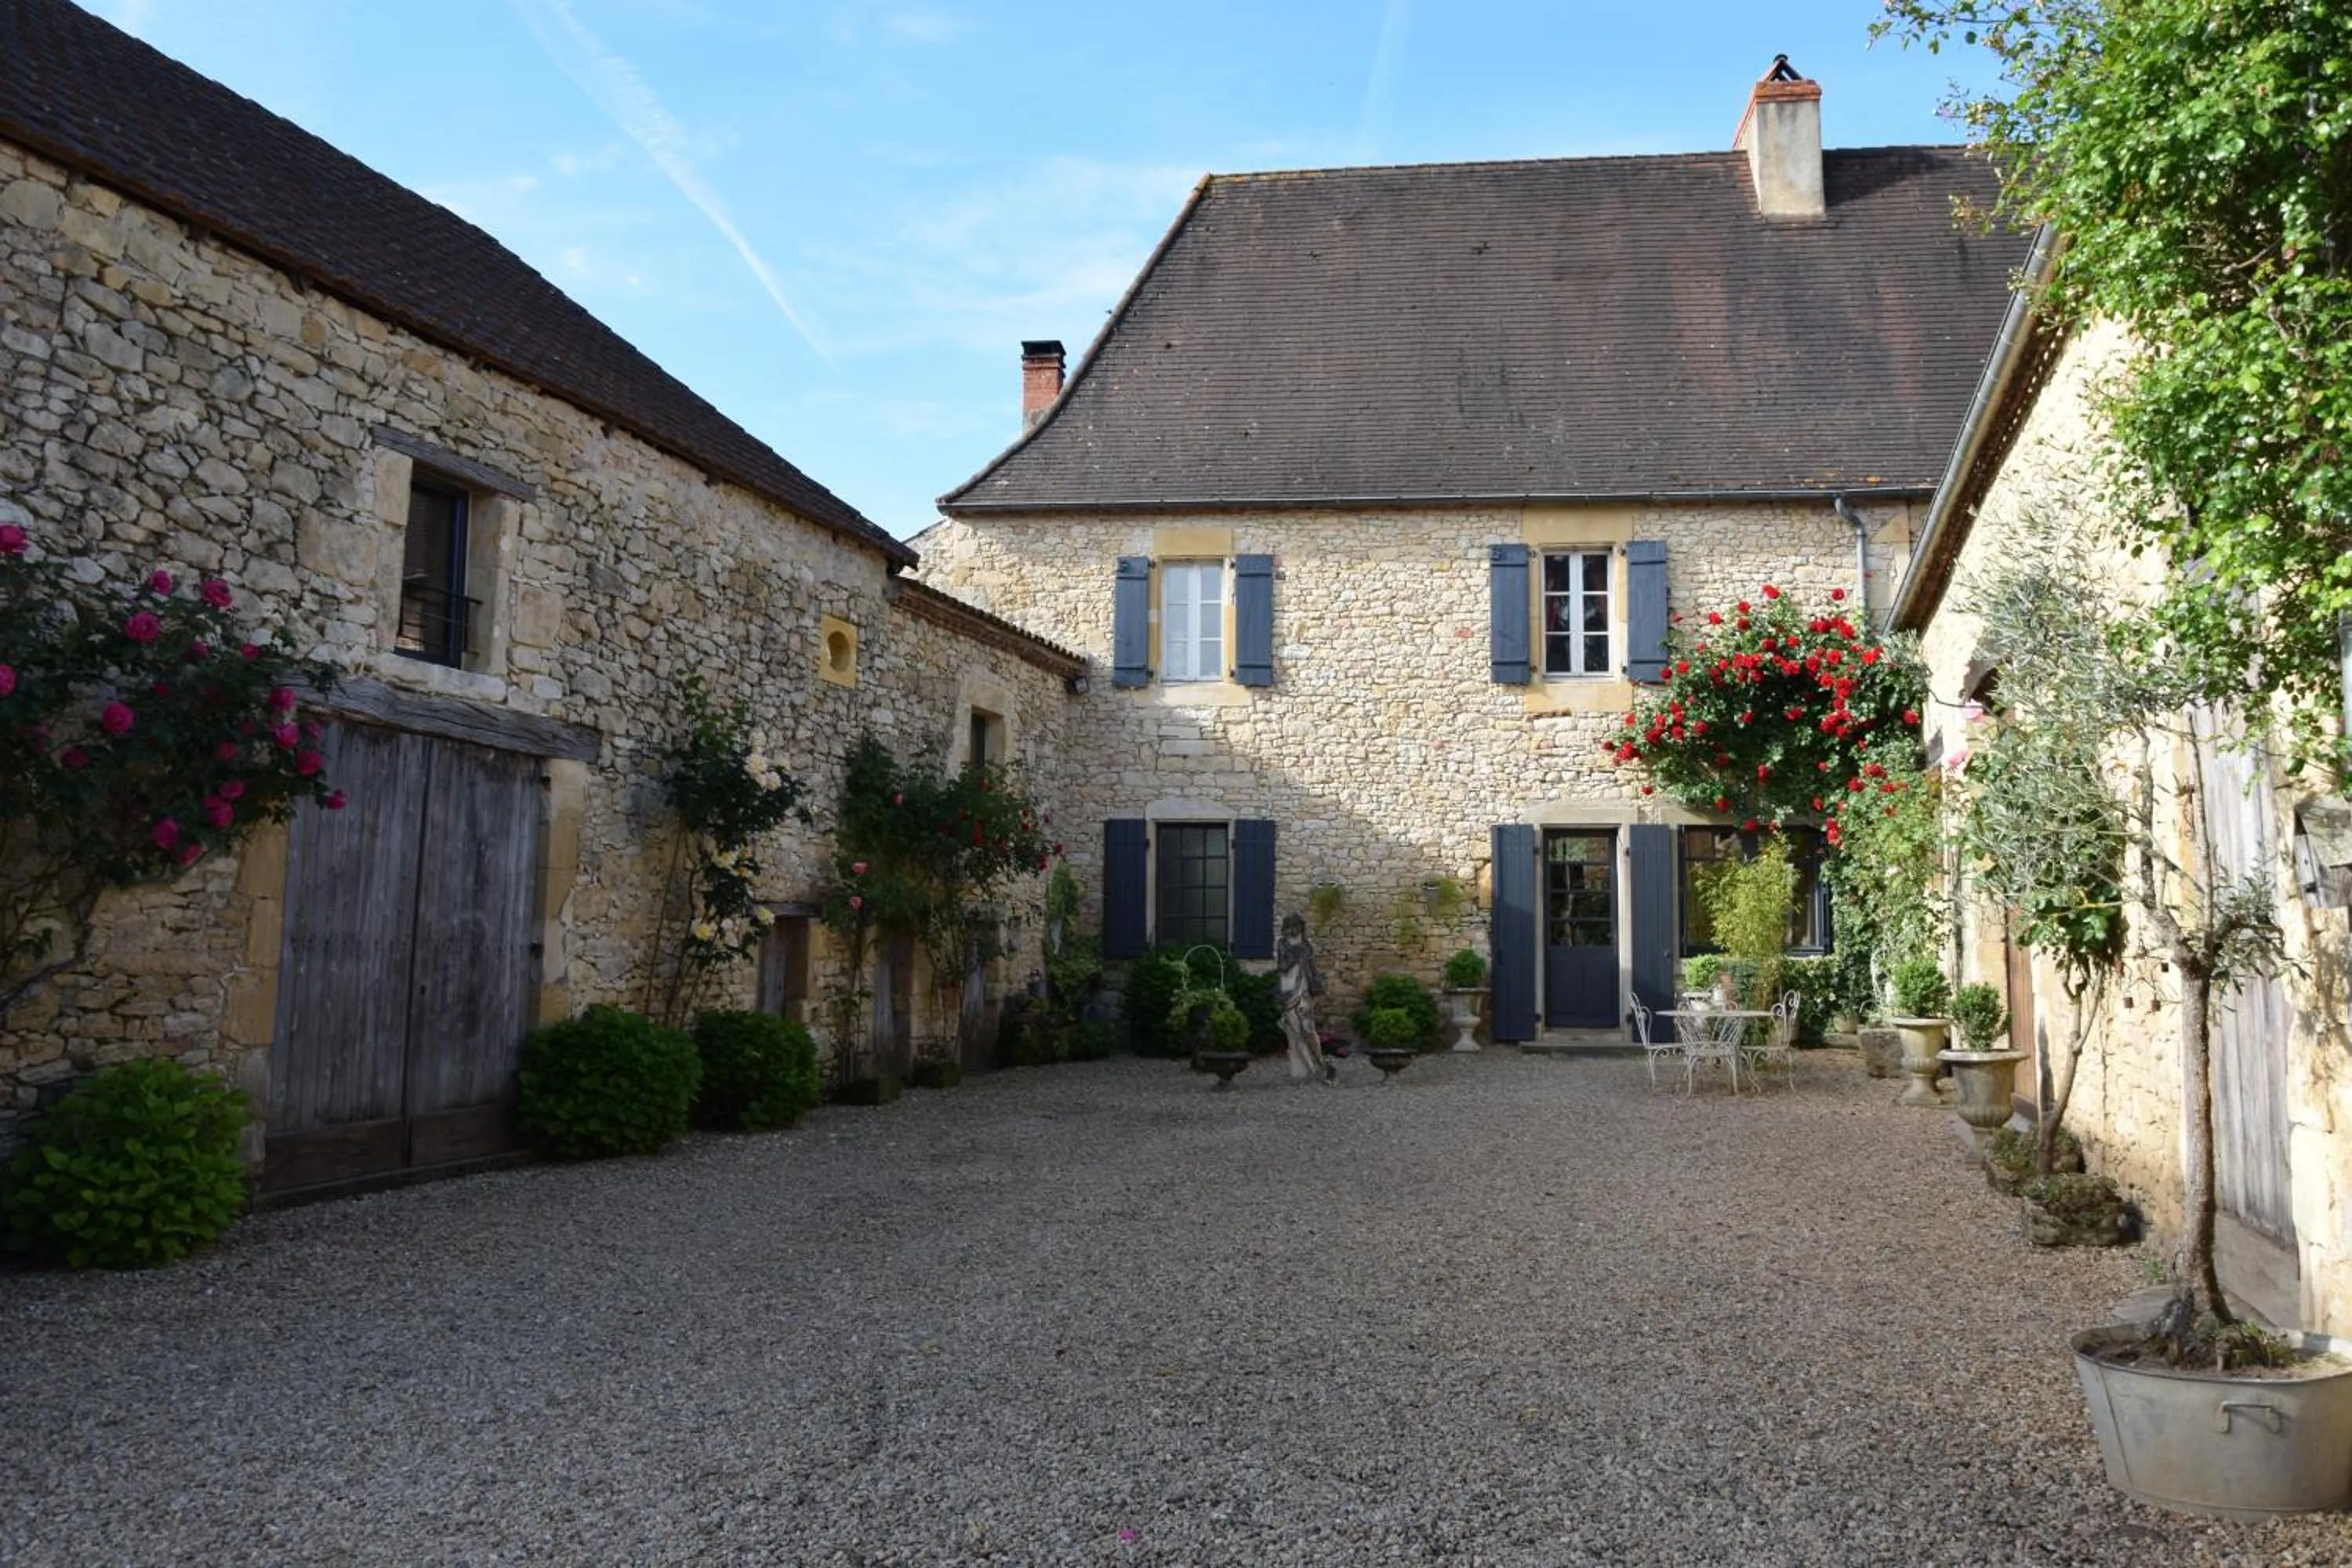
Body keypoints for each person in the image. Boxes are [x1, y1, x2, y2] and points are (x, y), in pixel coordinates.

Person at [1277, 913, 1334, 1083]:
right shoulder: (1283, 944)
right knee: (1295, 1033)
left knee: (1309, 1030)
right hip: (1288, 992)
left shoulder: (1306, 945)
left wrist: (1318, 983)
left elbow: (1312, 968)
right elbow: (1283, 967)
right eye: (1289, 928)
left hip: (1304, 993)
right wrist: (1296, 953)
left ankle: (1319, 1064)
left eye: (1295, 927)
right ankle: (1306, 1070)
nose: (1292, 931)